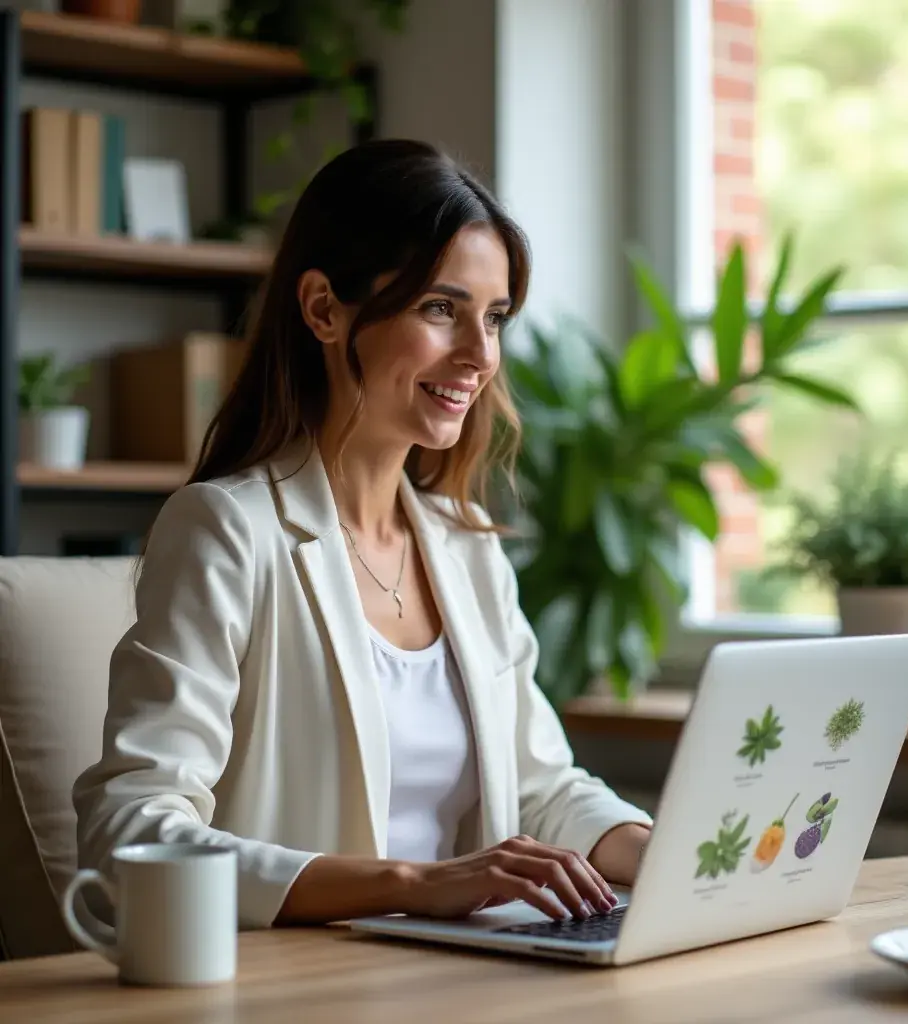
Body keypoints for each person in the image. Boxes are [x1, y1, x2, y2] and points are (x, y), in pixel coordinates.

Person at [72, 138, 653, 930]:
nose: (481, 355)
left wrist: (671, 855)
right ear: (322, 309)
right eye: (440, 309)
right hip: (309, 983)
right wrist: (413, 884)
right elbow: (132, 830)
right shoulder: (226, 531)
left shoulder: (468, 546)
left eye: (495, 318)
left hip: (470, 975)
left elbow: (542, 787)